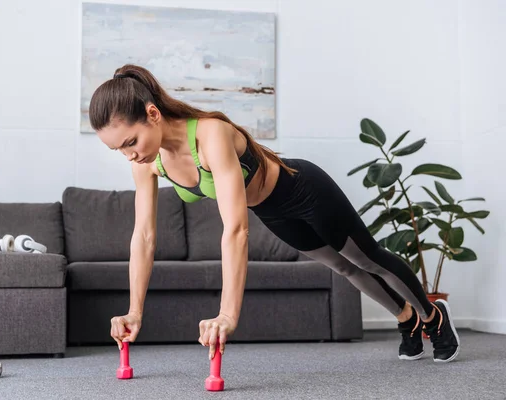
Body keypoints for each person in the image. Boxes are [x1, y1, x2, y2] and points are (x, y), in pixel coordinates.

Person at [88, 64, 460, 363]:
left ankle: (431, 315)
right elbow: (144, 237)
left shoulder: (210, 135)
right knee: (344, 268)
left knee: (367, 259)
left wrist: (228, 314)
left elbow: (235, 230)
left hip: (305, 189)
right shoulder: (148, 164)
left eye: (131, 142)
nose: (130, 155)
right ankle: (406, 319)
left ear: (152, 114)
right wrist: (134, 311)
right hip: (273, 211)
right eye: (118, 150)